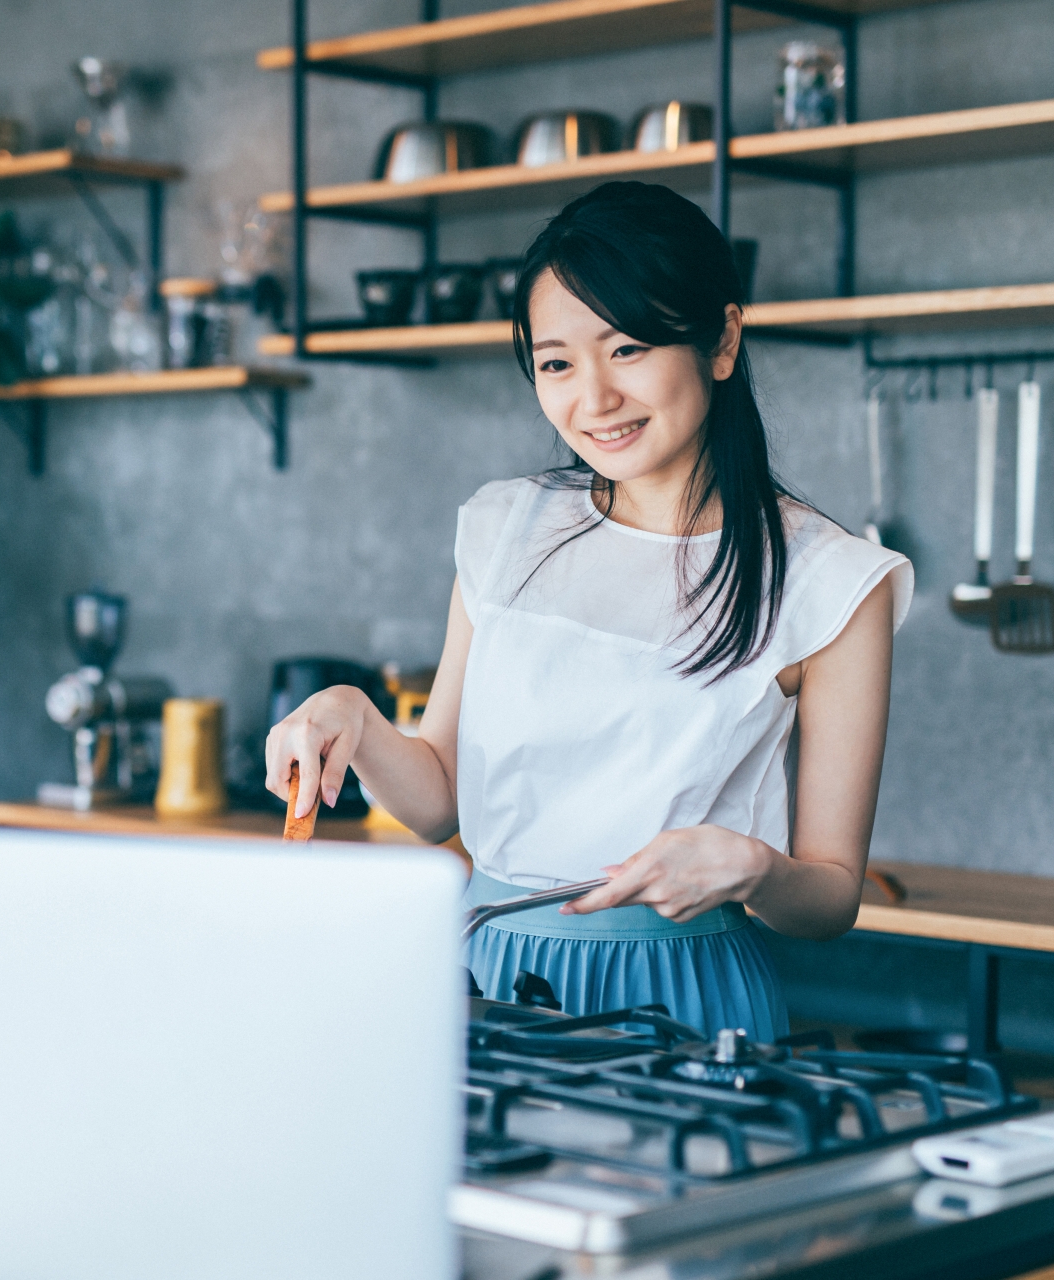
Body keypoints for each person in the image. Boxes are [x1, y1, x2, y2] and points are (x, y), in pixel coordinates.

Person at [264, 181, 910, 1038]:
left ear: (721, 341)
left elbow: (831, 897)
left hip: (681, 998)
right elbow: (439, 805)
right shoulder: (506, 528)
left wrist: (752, 868)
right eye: (557, 362)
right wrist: (356, 719)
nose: (594, 398)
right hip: (486, 978)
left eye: (629, 349)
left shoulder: (828, 579)